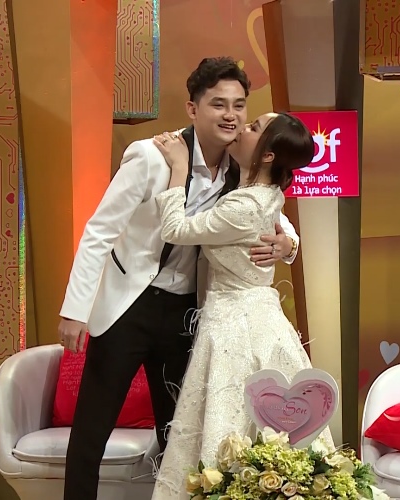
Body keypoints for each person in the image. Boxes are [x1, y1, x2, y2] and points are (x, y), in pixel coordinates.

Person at [58, 57, 301, 500]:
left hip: (188, 312)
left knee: (178, 434)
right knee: (92, 429)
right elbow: (99, 231)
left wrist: (289, 244)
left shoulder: (239, 165)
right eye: (218, 104)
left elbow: (272, 212)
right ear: (193, 109)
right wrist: (75, 310)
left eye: (239, 105)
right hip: (129, 304)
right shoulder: (153, 156)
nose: (231, 115)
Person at [148, 112, 336, 500]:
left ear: (268, 155)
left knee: (230, 420)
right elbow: (277, 220)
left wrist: (179, 168)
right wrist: (288, 244)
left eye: (253, 128)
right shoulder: (264, 190)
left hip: (234, 323)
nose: (241, 126)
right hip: (259, 316)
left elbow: (176, 230)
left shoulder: (245, 203)